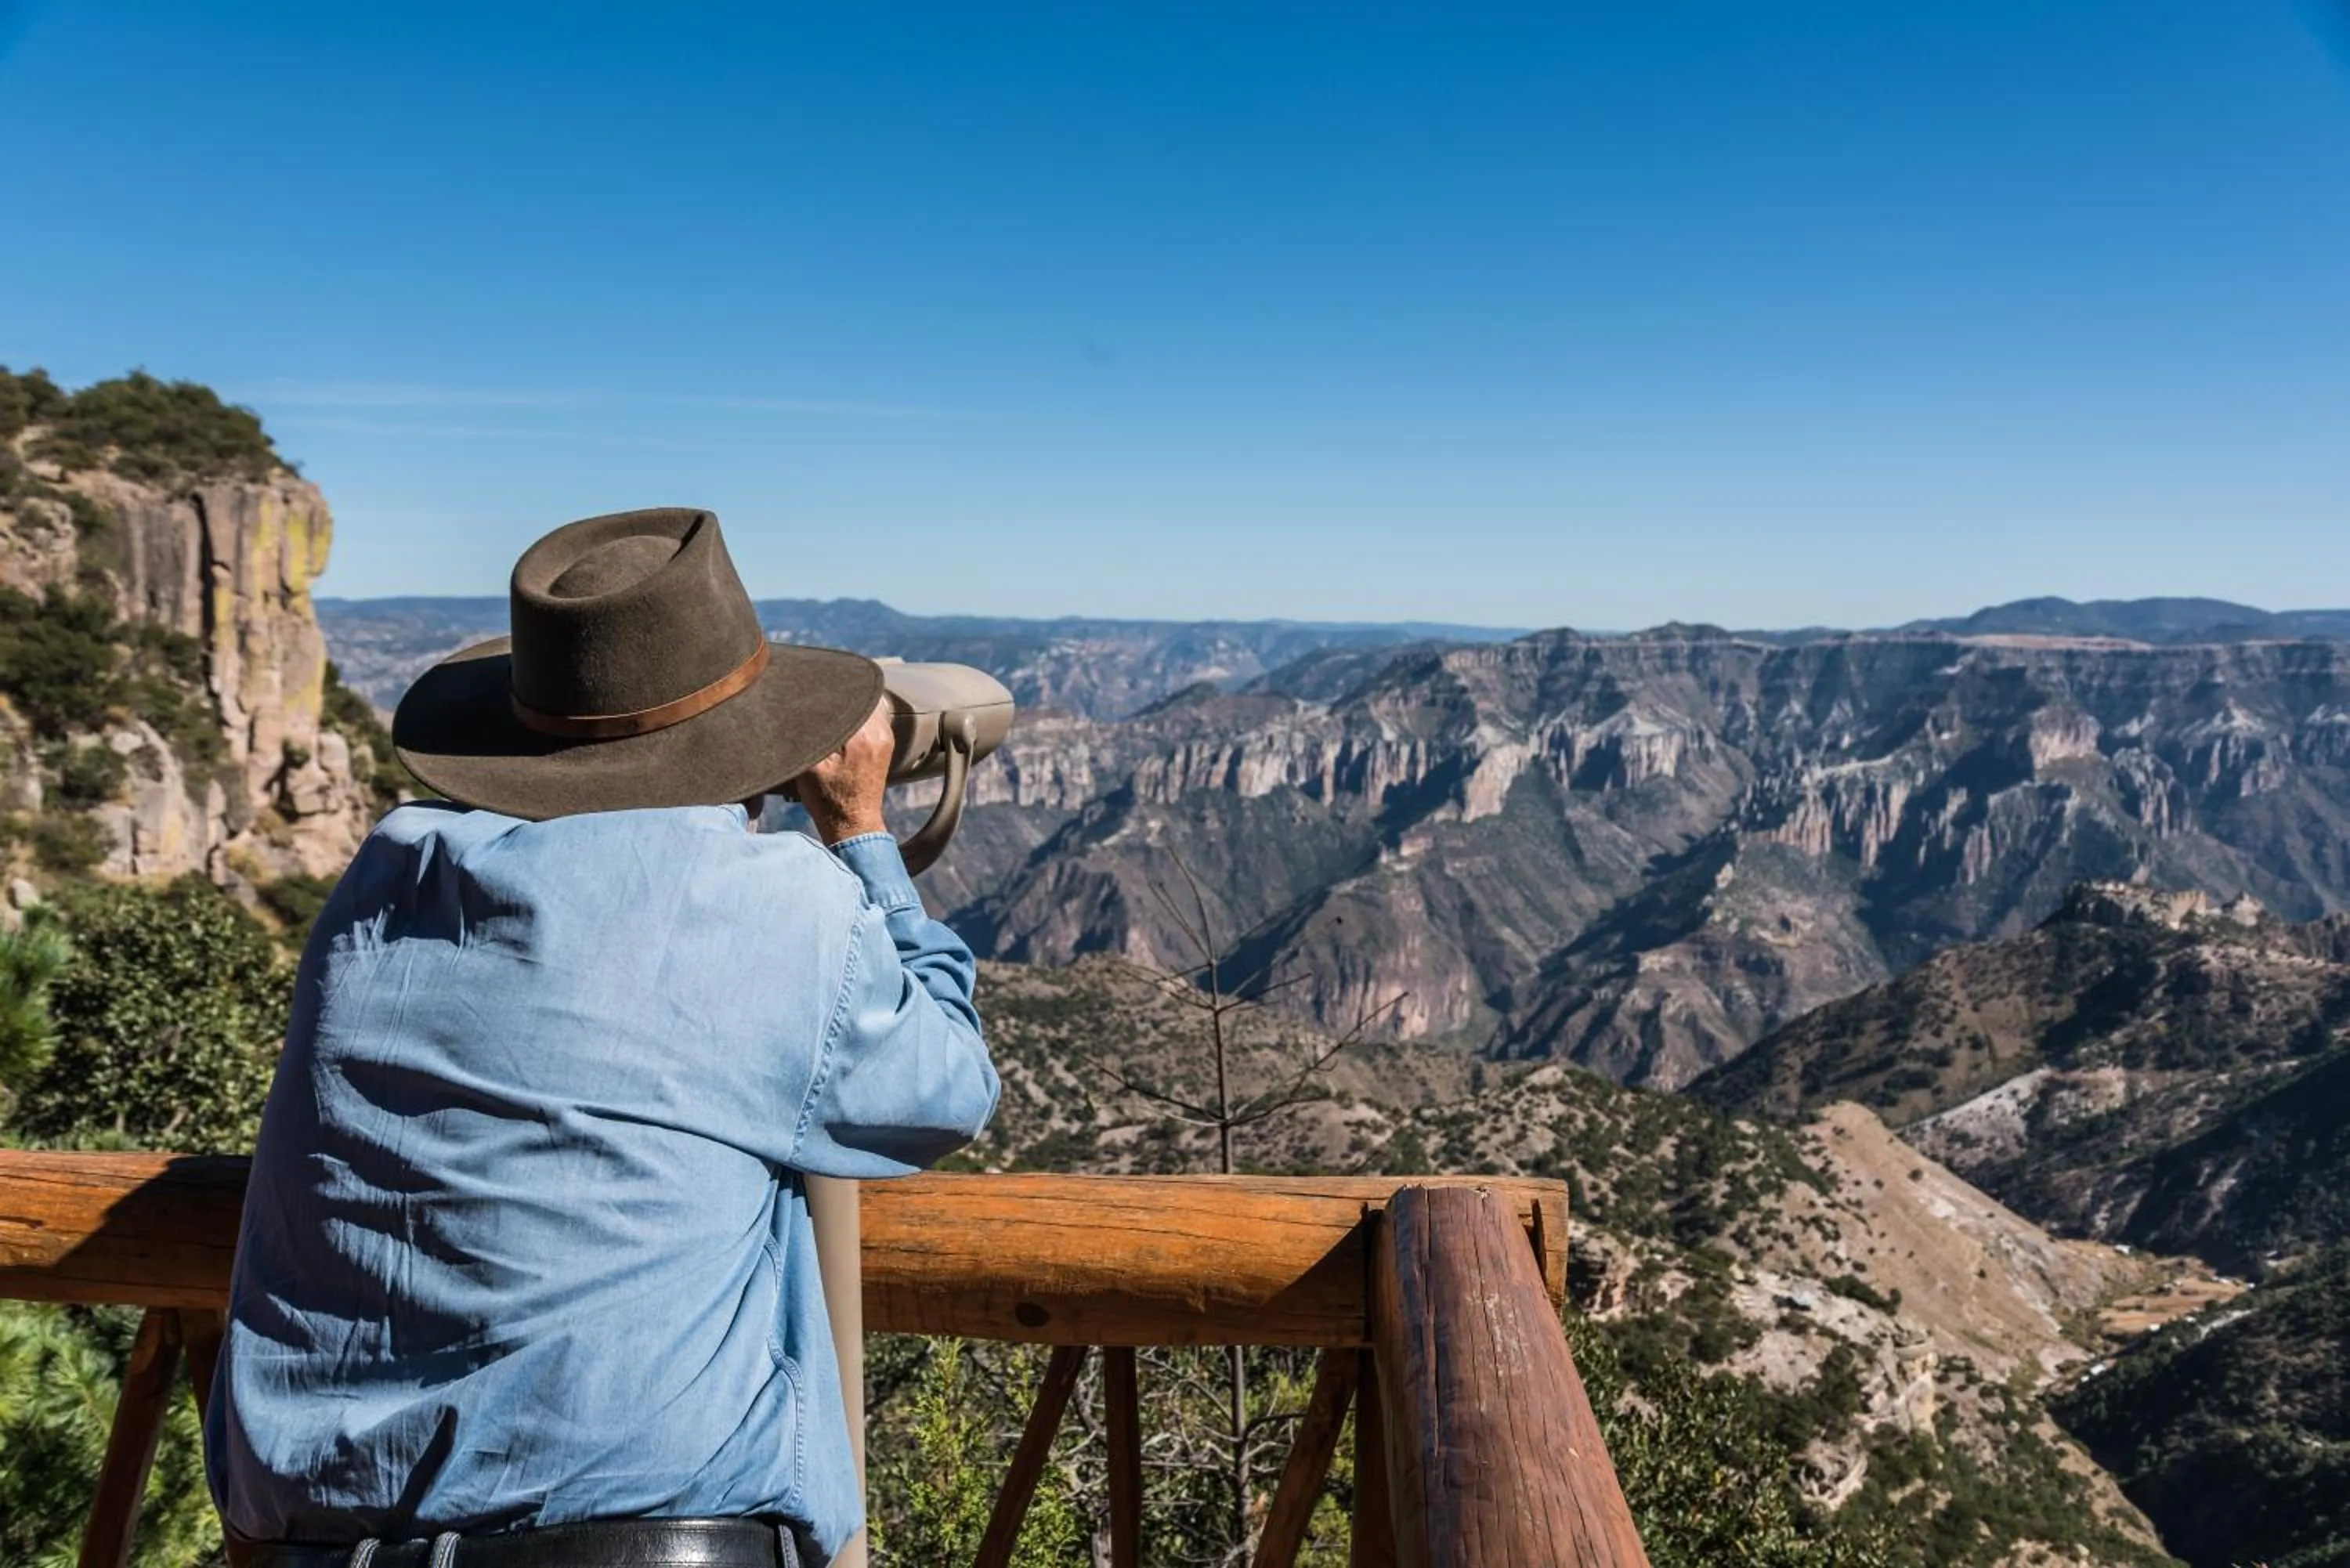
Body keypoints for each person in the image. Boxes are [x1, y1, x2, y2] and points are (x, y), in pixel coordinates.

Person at [206, 508, 1000, 1568]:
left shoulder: (384, 883)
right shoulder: (766, 904)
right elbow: (949, 1081)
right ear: (749, 735)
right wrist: (861, 836)